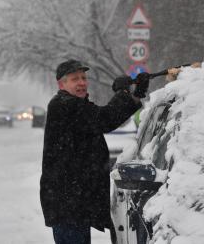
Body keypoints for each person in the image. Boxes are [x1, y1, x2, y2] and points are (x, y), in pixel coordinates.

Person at [40, 59, 149, 244]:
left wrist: (135, 95)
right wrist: (123, 92)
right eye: (75, 79)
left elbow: (105, 118)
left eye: (83, 78)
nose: (82, 82)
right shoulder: (63, 105)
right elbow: (104, 119)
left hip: (74, 201)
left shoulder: (75, 105)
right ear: (62, 84)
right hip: (66, 203)